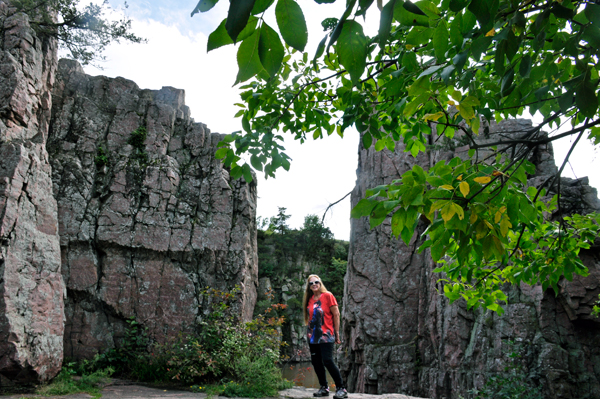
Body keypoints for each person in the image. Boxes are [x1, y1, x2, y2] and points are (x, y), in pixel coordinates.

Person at [303, 274, 348, 399]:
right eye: (311, 283)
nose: (314, 284)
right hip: (312, 336)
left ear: (320, 283)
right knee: (316, 362)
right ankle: (324, 387)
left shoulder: (328, 296)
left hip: (326, 334)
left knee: (327, 360)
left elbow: (336, 315)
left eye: (316, 282)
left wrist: (337, 333)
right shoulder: (309, 299)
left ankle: (341, 388)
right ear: (309, 286)